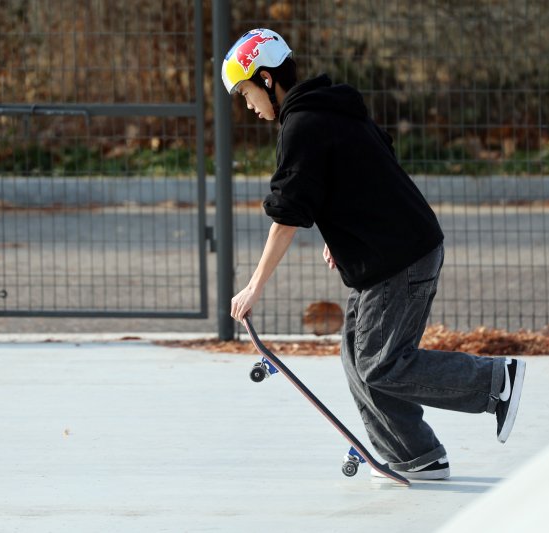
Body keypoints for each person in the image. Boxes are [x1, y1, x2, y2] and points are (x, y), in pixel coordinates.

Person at [222, 28, 527, 481]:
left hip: (398, 258)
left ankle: (495, 381)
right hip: (391, 252)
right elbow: (363, 166)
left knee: (381, 364)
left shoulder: (303, 125)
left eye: (246, 93)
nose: (248, 105)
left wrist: (254, 286)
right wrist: (339, 230)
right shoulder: (330, 109)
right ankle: (416, 456)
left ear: (267, 79)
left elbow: (286, 216)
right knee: (358, 357)